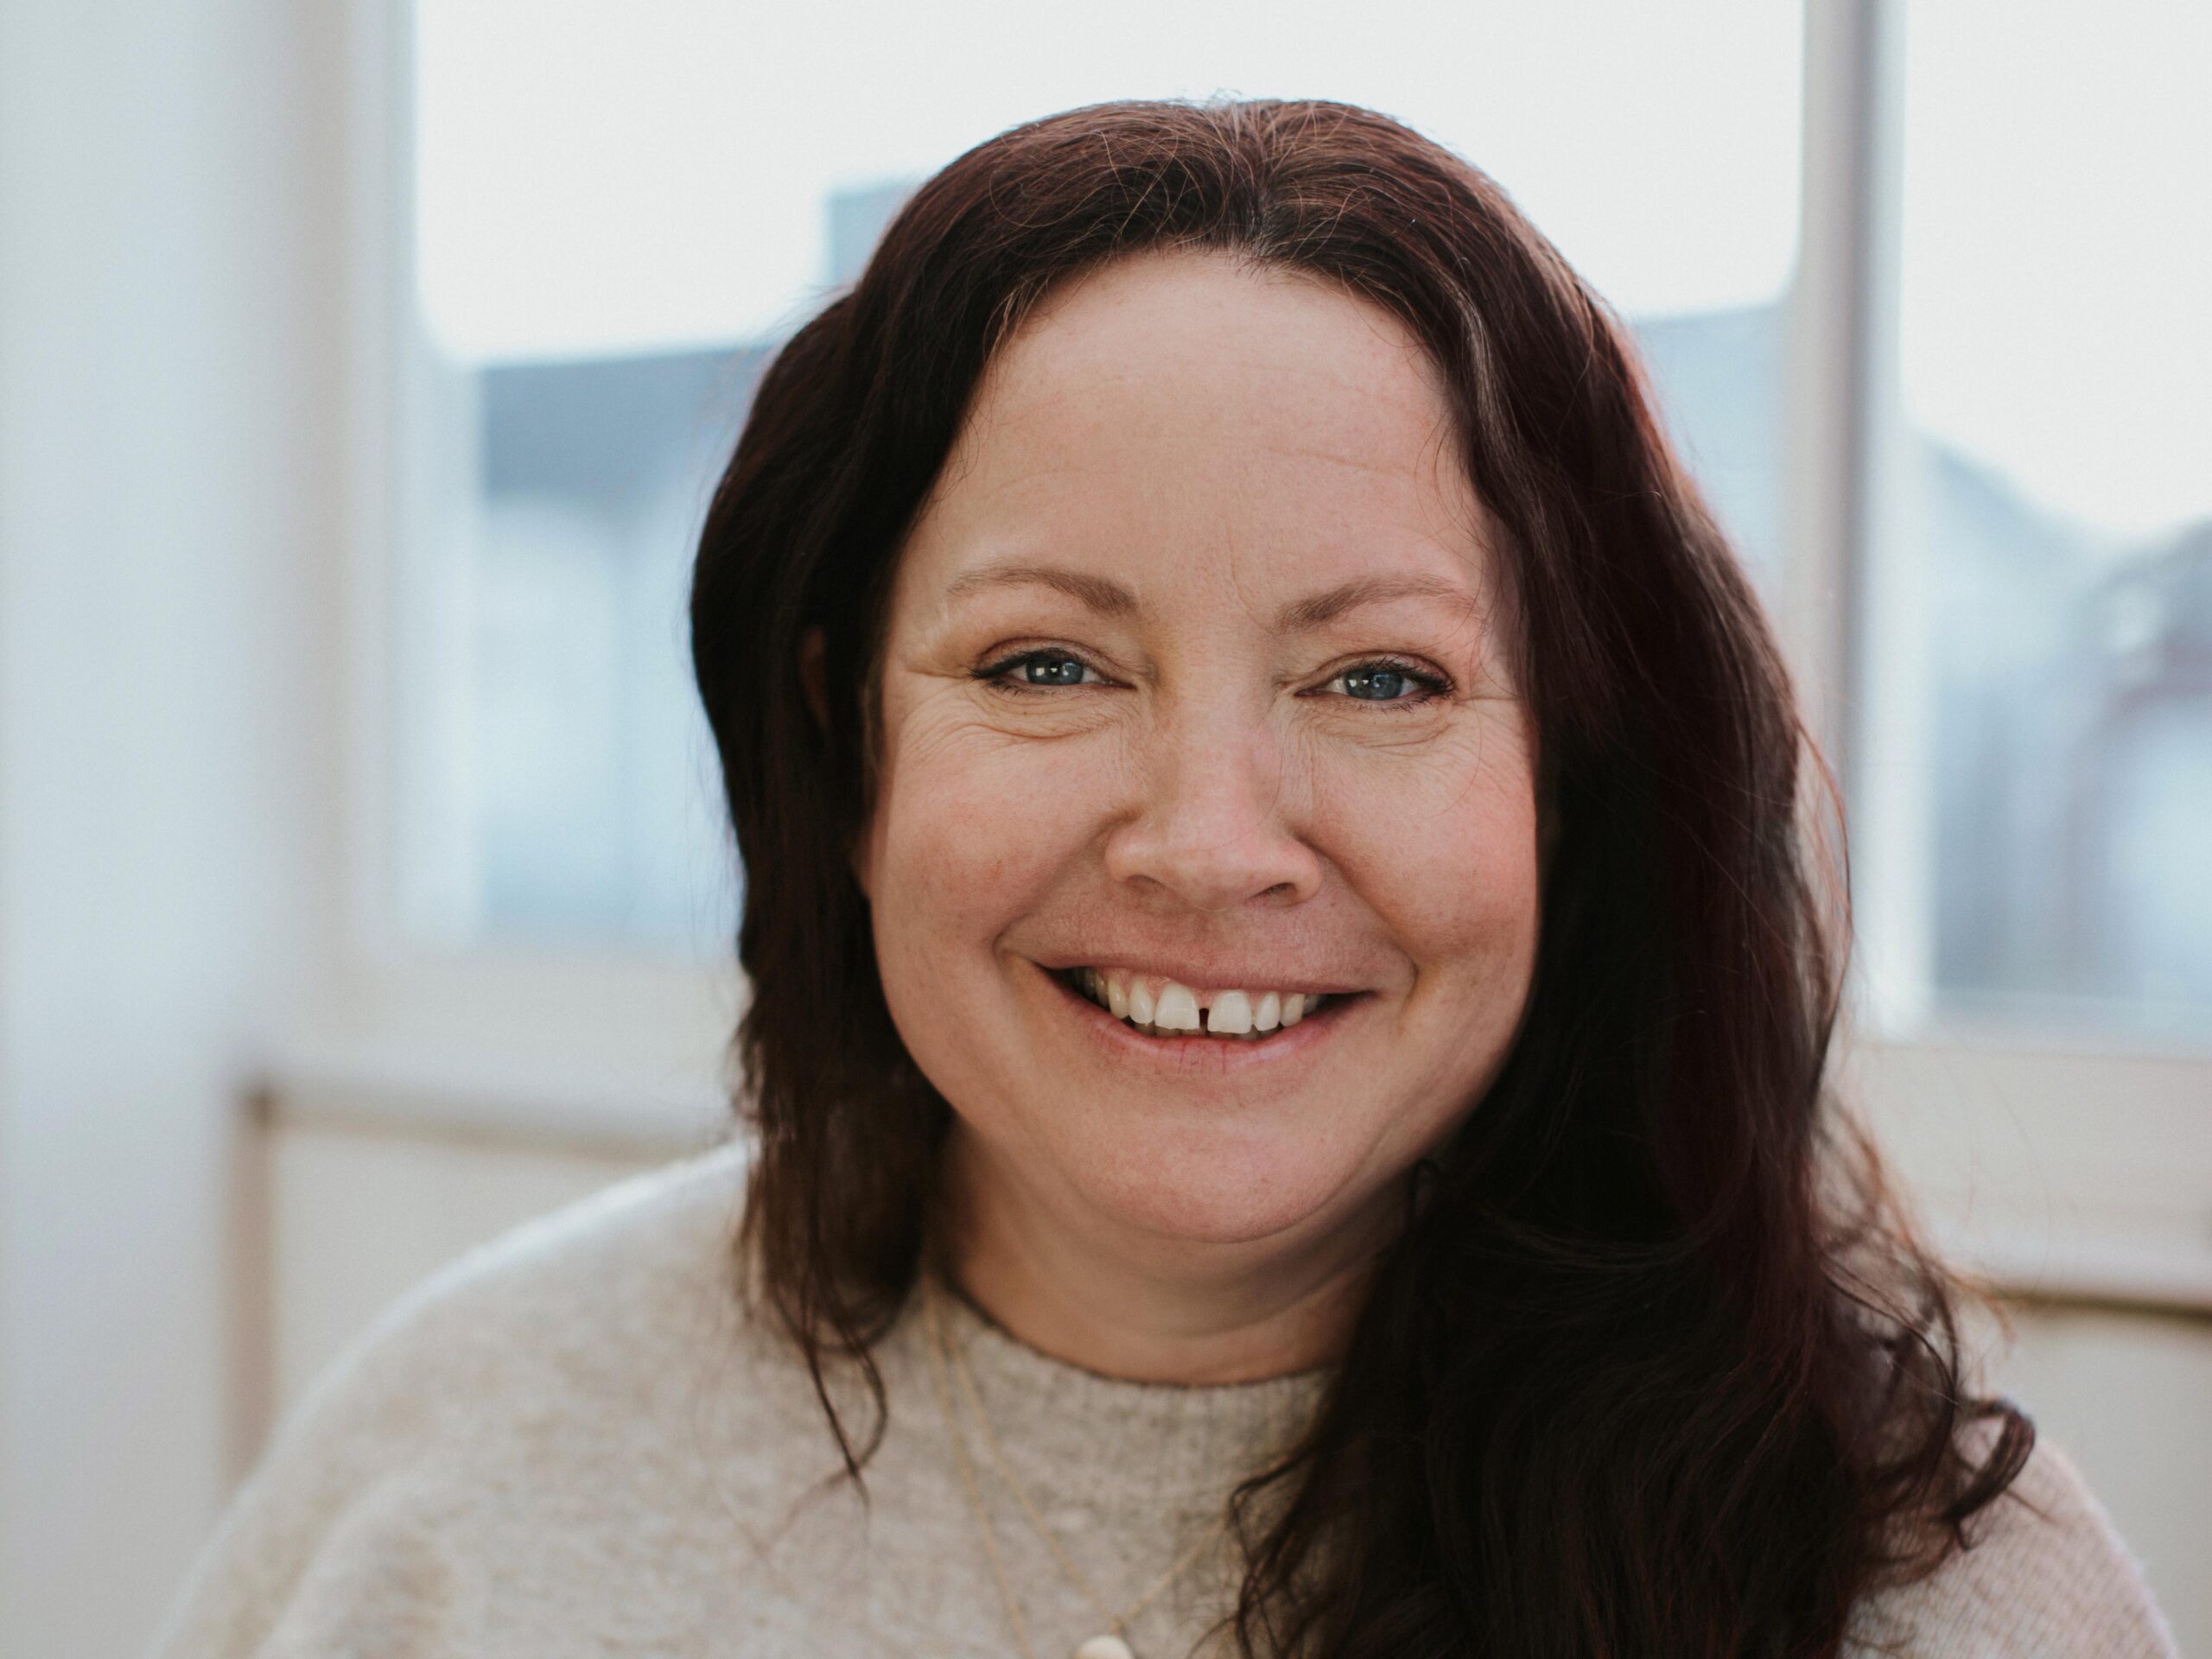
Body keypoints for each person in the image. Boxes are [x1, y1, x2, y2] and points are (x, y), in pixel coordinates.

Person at [150, 99, 2177, 1659]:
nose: (1207, 845)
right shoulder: (453, 1473)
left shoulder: (1918, 1590)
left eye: (1379, 678)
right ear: (845, 745)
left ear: (1573, 781)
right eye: (1046, 665)